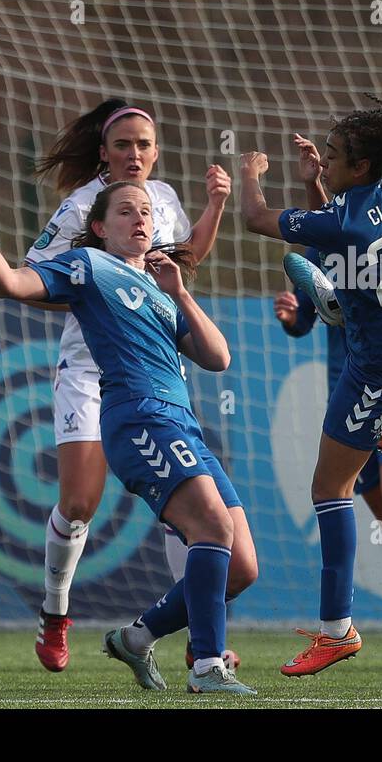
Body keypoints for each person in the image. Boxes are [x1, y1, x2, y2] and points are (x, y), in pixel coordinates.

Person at [0, 176, 256, 694]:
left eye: (147, 213)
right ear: (101, 228)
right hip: (139, 417)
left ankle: (136, 639)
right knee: (212, 530)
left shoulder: (160, 285)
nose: (141, 220)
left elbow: (218, 357)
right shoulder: (88, 266)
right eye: (127, 212)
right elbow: (12, 284)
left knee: (240, 569)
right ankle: (205, 667)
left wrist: (180, 294)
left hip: (184, 424)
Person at [241, 96, 382, 676]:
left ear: (361, 166)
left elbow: (256, 220)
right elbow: (339, 227)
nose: (327, 159)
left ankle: (336, 631)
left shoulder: (343, 218)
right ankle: (377, 409)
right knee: (360, 483)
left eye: (335, 155)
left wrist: (248, 179)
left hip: (378, 364)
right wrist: (318, 181)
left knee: (328, 489)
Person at [22, 99, 236, 672]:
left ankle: (198, 638)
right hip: (90, 369)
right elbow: (35, 271)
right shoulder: (77, 208)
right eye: (123, 145)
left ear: (156, 151)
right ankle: (55, 610)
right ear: (104, 154)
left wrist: (216, 204)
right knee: (79, 501)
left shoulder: (160, 199)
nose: (134, 154)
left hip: (153, 364)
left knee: (188, 509)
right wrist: (101, 298)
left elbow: (182, 261)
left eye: (144, 144)